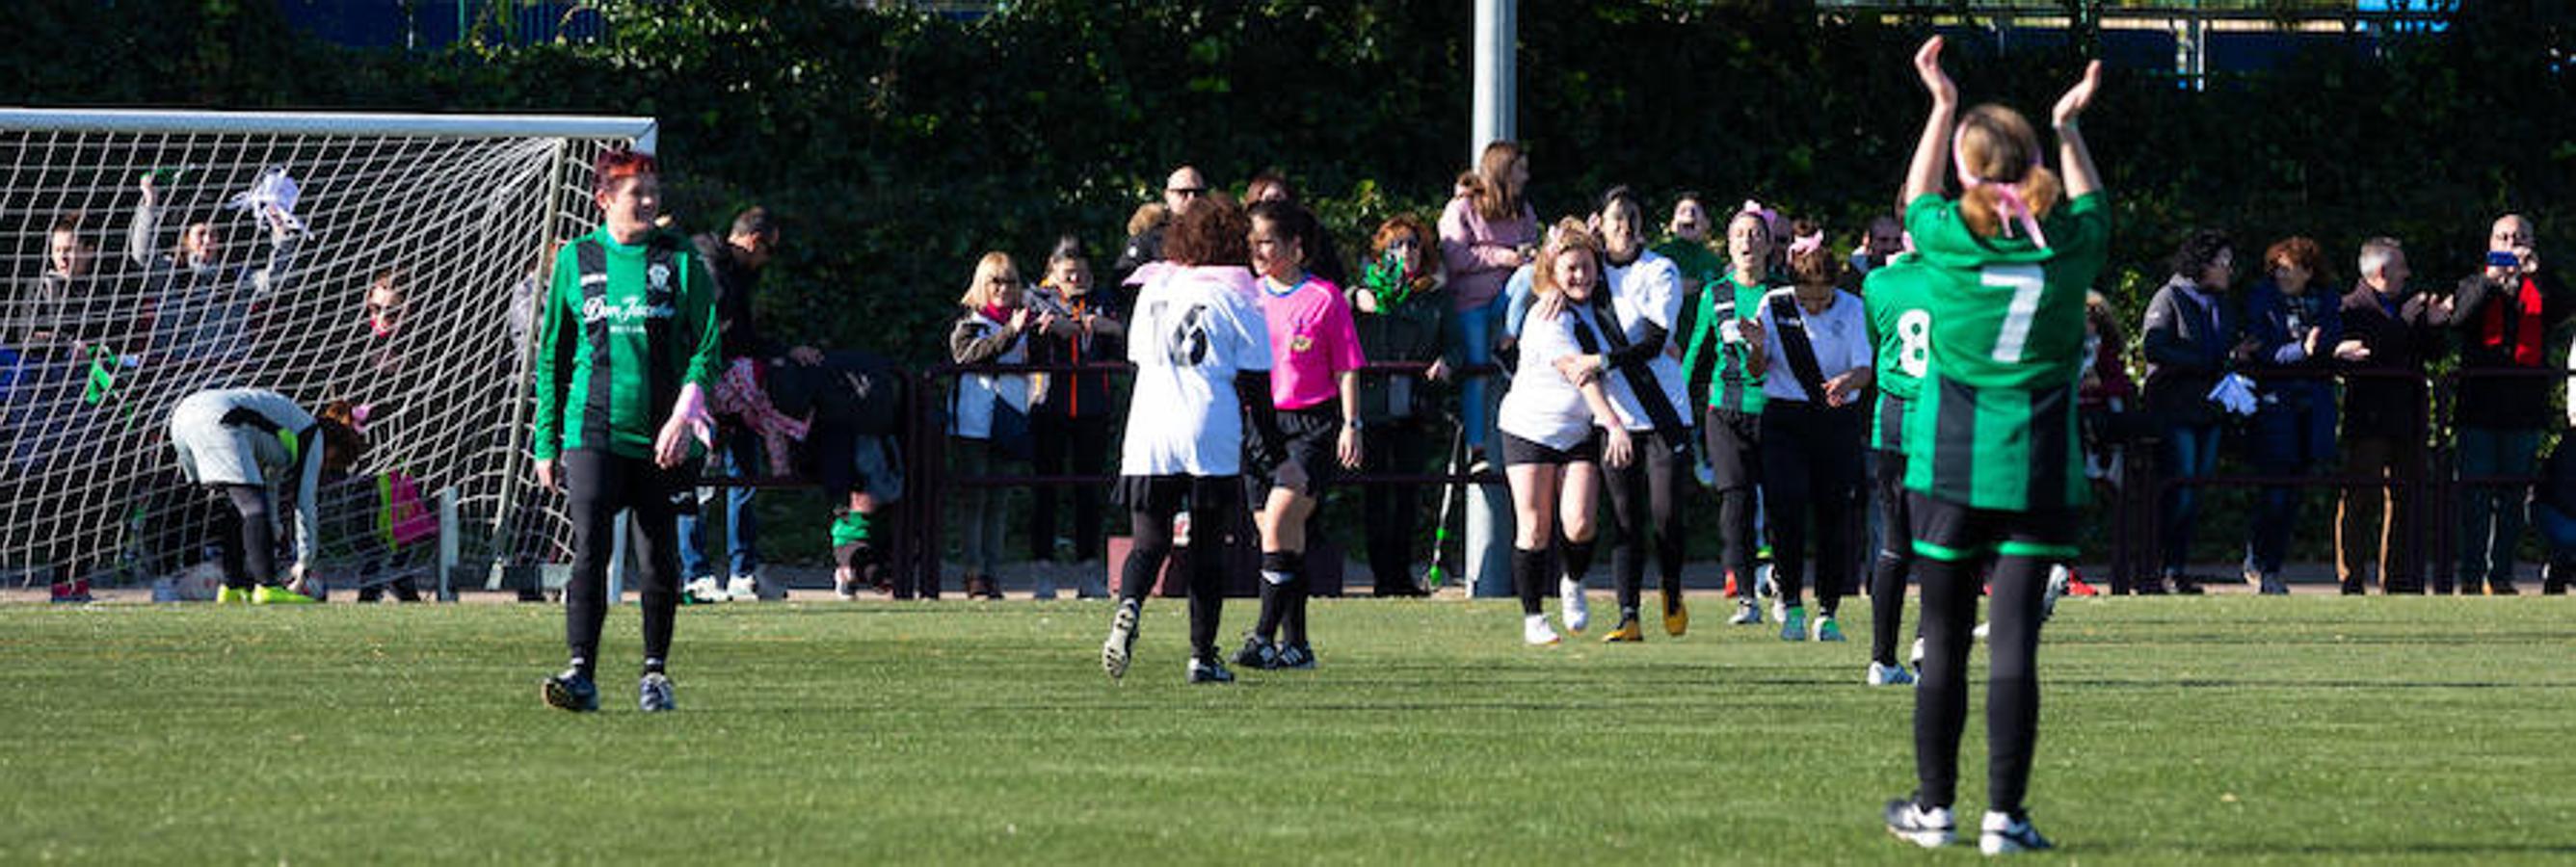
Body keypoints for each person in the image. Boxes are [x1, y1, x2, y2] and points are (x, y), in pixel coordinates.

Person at [1880, 38, 2109, 855]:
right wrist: (2069, 126)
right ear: (2034, 164)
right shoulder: (2070, 246)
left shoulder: (1945, 239)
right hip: (2039, 464)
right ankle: (2002, 817)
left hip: (1944, 464)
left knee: (1941, 640)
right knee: (2014, 640)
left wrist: (1939, 105)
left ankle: (1934, 810)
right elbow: (2087, 204)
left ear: (1969, 173)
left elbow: (1915, 195)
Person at [529, 146, 723, 714]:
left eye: (653, 192)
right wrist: (545, 441)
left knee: (659, 557)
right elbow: (552, 357)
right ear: (604, 199)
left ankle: (655, 675)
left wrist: (685, 413)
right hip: (591, 431)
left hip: (664, 436)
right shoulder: (576, 259)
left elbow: (708, 347)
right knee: (589, 548)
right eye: (636, 193)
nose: (647, 201)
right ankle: (581, 673)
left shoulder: (680, 258)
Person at [1100, 195, 1287, 685]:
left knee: (1149, 540)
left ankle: (1130, 608)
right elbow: (1256, 387)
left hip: (1150, 427)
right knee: (1207, 547)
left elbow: (1137, 356)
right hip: (1209, 426)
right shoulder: (1237, 294)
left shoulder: (1155, 288)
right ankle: (1202, 656)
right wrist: (1279, 457)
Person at [1230, 200, 1365, 670]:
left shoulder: (1325, 297)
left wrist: (1351, 424)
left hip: (1311, 425)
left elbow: (1347, 366)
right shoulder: (1246, 296)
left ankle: (1263, 636)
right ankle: (1299, 645)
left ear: (1296, 247)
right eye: (1254, 241)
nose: (1257, 250)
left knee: (1280, 523)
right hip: (1259, 428)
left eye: (1267, 241)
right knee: (1286, 540)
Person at [1497, 219, 1634, 645]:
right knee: (1534, 527)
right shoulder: (1546, 315)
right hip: (1529, 428)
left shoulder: (1603, 307)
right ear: (1553, 273)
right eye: (1569, 268)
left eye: (1586, 266)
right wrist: (1613, 423)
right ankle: (1534, 618)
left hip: (1577, 431)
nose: (1579, 276)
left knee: (1578, 524)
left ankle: (1572, 581)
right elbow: (1580, 374)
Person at [677, 206, 816, 604]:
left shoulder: (736, 275)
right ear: (754, 241)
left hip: (735, 392)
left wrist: (786, 352)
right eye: (767, 251)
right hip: (702, 389)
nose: (766, 262)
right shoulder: (707, 266)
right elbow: (719, 332)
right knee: (699, 479)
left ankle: (743, 571)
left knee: (745, 476)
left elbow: (746, 335)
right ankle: (696, 573)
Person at [1580, 187, 1695, 642]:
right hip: (1617, 416)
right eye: (1615, 219)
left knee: (1666, 514)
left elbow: (1651, 341)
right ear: (1600, 224)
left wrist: (1603, 361)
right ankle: (1628, 615)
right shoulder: (1591, 271)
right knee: (1625, 518)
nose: (1624, 226)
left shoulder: (1660, 269)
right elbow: (1558, 282)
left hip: (1664, 411)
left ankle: (1670, 587)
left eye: (1631, 217)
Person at [1753, 222, 1873, 643]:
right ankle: (1790, 604)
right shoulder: (1775, 305)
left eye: (1823, 296)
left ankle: (1828, 609)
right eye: (1808, 297)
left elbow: (1864, 369)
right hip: (1784, 419)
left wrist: (1845, 382)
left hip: (1835, 420)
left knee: (1833, 515)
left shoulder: (1852, 308)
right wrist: (1753, 344)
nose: (1816, 305)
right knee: (1785, 509)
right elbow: (1757, 370)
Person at [2447, 214, 2567, 594]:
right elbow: (2460, 319)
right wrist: (2490, 282)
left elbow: (2564, 309)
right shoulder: (2473, 283)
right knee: (2475, 498)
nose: (2512, 243)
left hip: (2523, 411)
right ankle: (2470, 575)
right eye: (2504, 237)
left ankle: (2499, 576)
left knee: (2514, 498)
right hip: (2478, 410)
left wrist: (2537, 276)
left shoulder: (2543, 285)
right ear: (2491, 243)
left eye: (2520, 237)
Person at [166, 387, 364, 605]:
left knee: (236, 507)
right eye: (330, 462)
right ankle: (267, 587)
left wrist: (274, 526)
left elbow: (270, 483)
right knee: (253, 507)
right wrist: (305, 561)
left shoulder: (290, 426)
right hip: (219, 418)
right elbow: (304, 503)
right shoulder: (312, 435)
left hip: (183, 417)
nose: (324, 467)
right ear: (333, 447)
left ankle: (232, 587)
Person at [1681, 204, 1781, 624]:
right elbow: (1695, 354)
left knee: (1781, 501)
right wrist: (1677, 402)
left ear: (1769, 244)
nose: (1747, 241)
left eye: (1755, 234)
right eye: (1739, 234)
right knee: (1735, 501)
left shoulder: (1782, 293)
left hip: (1776, 410)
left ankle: (1782, 584)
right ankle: (1745, 597)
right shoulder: (1715, 293)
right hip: (1725, 410)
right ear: (1729, 242)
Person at [2335, 238, 2449, 594]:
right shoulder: (2350, 308)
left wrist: (2432, 324)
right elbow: (2373, 352)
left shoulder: (2409, 305)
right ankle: (2350, 577)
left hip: (2407, 417)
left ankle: (2397, 580)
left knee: (2404, 498)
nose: (2408, 273)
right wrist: (2402, 322)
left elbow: (2431, 353)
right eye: (2402, 266)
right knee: (2359, 497)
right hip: (2369, 419)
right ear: (2382, 271)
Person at [2138, 228, 2245, 595]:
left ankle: (2176, 567)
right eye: (2223, 263)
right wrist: (2208, 361)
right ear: (2203, 264)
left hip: (2209, 411)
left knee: (2195, 491)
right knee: (2179, 489)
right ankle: (2159, 567)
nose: (2229, 270)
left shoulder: (2222, 304)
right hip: (2175, 410)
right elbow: (2154, 347)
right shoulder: (2169, 297)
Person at [2237, 236, 2345, 594]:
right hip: (2273, 408)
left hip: (2311, 411)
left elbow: (2332, 343)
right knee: (2275, 491)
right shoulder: (2262, 299)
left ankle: (2271, 564)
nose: (2281, 275)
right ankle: (2263, 564)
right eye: (2277, 268)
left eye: (2289, 269)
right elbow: (2262, 350)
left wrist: (2321, 350)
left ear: (2308, 272)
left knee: (2293, 492)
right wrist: (2302, 350)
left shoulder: (2327, 300)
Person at [1349, 215, 1450, 597]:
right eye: (1396, 245)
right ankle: (1381, 578)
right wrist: (1356, 296)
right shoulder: (1366, 291)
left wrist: (1448, 360)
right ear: (1382, 253)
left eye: (1412, 244)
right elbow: (1337, 313)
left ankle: (1401, 577)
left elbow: (1452, 340)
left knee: (1408, 495)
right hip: (1374, 408)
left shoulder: (1434, 296)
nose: (1405, 252)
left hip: (1414, 407)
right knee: (1375, 496)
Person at [1024, 236, 1124, 599]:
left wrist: (1111, 328)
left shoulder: (1103, 301)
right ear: (1052, 272)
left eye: (1083, 272)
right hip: (1048, 407)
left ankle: (1088, 570)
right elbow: (1024, 345)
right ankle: (1043, 570)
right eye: (1069, 273)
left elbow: (1124, 342)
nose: (1077, 279)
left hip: (1093, 409)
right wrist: (1046, 328)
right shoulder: (1036, 299)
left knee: (1089, 492)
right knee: (1045, 490)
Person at [128, 171, 302, 369]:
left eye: (214, 235)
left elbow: (276, 280)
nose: (208, 241)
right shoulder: (169, 274)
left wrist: (281, 235)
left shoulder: (236, 276)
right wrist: (150, 204)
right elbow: (143, 255)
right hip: (178, 377)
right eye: (201, 234)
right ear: (185, 240)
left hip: (233, 373)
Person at [947, 251, 1045, 601]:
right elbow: (970, 355)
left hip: (1011, 419)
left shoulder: (1024, 325)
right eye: (996, 282)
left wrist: (1041, 334)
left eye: (1011, 282)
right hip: (974, 423)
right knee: (974, 499)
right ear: (982, 286)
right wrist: (1011, 331)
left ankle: (993, 571)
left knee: (1000, 500)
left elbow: (1040, 364)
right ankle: (974, 573)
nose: (1004, 289)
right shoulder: (969, 323)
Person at [1440, 142, 1540, 467]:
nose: (1526, 177)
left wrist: (1530, 256)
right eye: (1520, 169)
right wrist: (1502, 256)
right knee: (1478, 373)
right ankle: (1477, 448)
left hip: (1507, 301)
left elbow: (1531, 256)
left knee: (1528, 275)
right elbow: (1455, 256)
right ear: (1503, 170)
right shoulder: (1462, 208)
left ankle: (1508, 340)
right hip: (1470, 303)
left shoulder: (1523, 210)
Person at [1862, 247, 1933, 686]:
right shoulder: (1955, 275)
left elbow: (1874, 345)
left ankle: (1881, 660)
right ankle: (1928, 643)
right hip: (1941, 420)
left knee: (1894, 545)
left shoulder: (1876, 283)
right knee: (1942, 545)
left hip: (1890, 422)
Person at [1242, 171, 1350, 288]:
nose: (1273, 207)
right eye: (1267, 201)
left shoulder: (1312, 230)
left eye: (1278, 199)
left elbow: (1334, 275)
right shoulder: (1242, 235)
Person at [1113, 166, 1208, 286]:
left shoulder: (1218, 234)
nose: (1192, 198)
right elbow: (1124, 281)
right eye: (1183, 193)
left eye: (1198, 193)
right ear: (1167, 195)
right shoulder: (1149, 236)